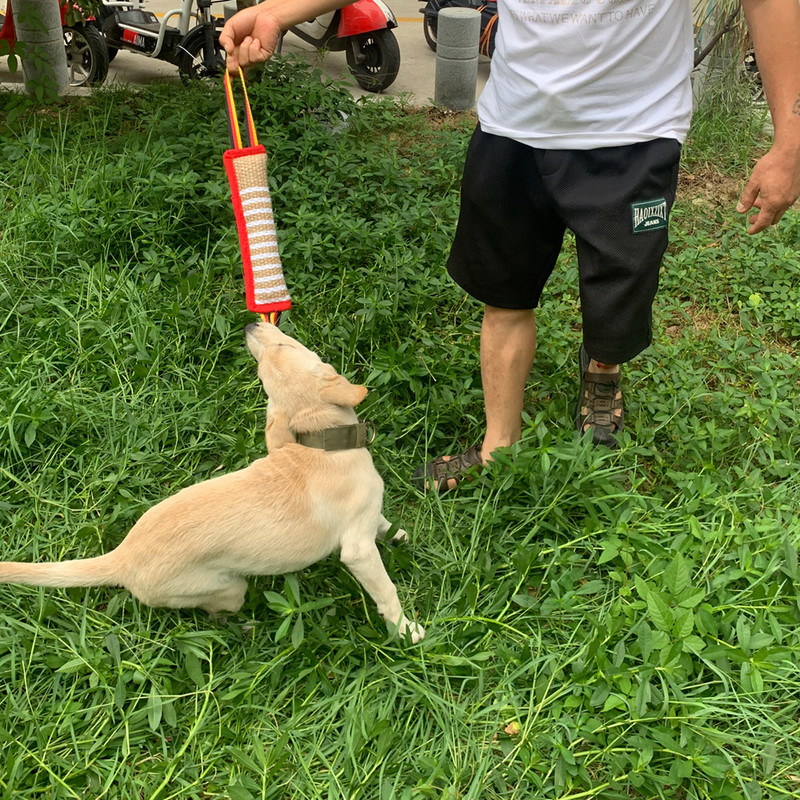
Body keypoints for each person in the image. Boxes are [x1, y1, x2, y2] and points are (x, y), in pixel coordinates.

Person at [221, 0, 800, 492]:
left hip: (636, 132)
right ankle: (499, 445)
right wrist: (278, 11)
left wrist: (790, 137)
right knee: (504, 294)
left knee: (618, 296)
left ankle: (601, 370)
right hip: (514, 127)